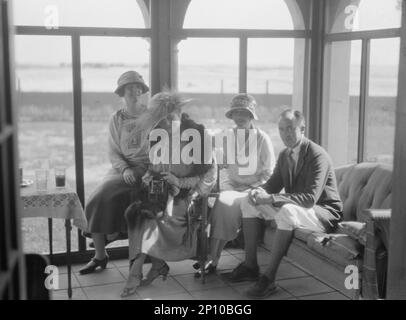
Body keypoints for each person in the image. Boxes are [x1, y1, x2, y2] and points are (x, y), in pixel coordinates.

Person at [227, 109, 343, 299]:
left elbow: (309, 198)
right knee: (249, 200)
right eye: (281, 129)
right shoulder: (285, 154)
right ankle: (250, 266)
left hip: (323, 214)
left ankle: (268, 279)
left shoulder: (317, 155)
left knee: (287, 211)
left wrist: (271, 199)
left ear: (302, 128)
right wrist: (259, 191)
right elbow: (273, 185)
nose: (286, 134)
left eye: (290, 128)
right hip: (301, 210)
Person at [120, 91, 217, 298]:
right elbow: (155, 168)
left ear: (180, 112)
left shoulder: (199, 135)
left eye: (169, 117)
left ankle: (136, 273)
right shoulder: (159, 137)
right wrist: (149, 176)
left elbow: (209, 175)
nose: (164, 122)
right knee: (138, 213)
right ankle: (155, 265)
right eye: (160, 119)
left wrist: (179, 183)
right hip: (162, 196)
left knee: (150, 219)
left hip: (187, 199)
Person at [195, 94, 275, 277]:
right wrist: (225, 187)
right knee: (223, 203)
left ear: (251, 116)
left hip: (254, 189)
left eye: (244, 113)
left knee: (227, 205)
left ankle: (211, 259)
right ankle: (212, 259)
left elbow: (269, 172)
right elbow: (221, 167)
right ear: (232, 116)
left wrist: (254, 188)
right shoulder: (227, 137)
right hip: (231, 187)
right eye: (236, 112)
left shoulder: (263, 139)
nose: (240, 117)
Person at [79, 71, 150, 275]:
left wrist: (146, 170)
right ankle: (100, 255)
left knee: (105, 194)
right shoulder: (116, 118)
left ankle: (109, 238)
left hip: (144, 168)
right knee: (97, 197)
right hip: (122, 167)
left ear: (142, 91)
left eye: (138, 89)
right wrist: (124, 168)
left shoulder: (152, 116)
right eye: (129, 90)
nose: (134, 93)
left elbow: (161, 147)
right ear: (122, 93)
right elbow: (113, 151)